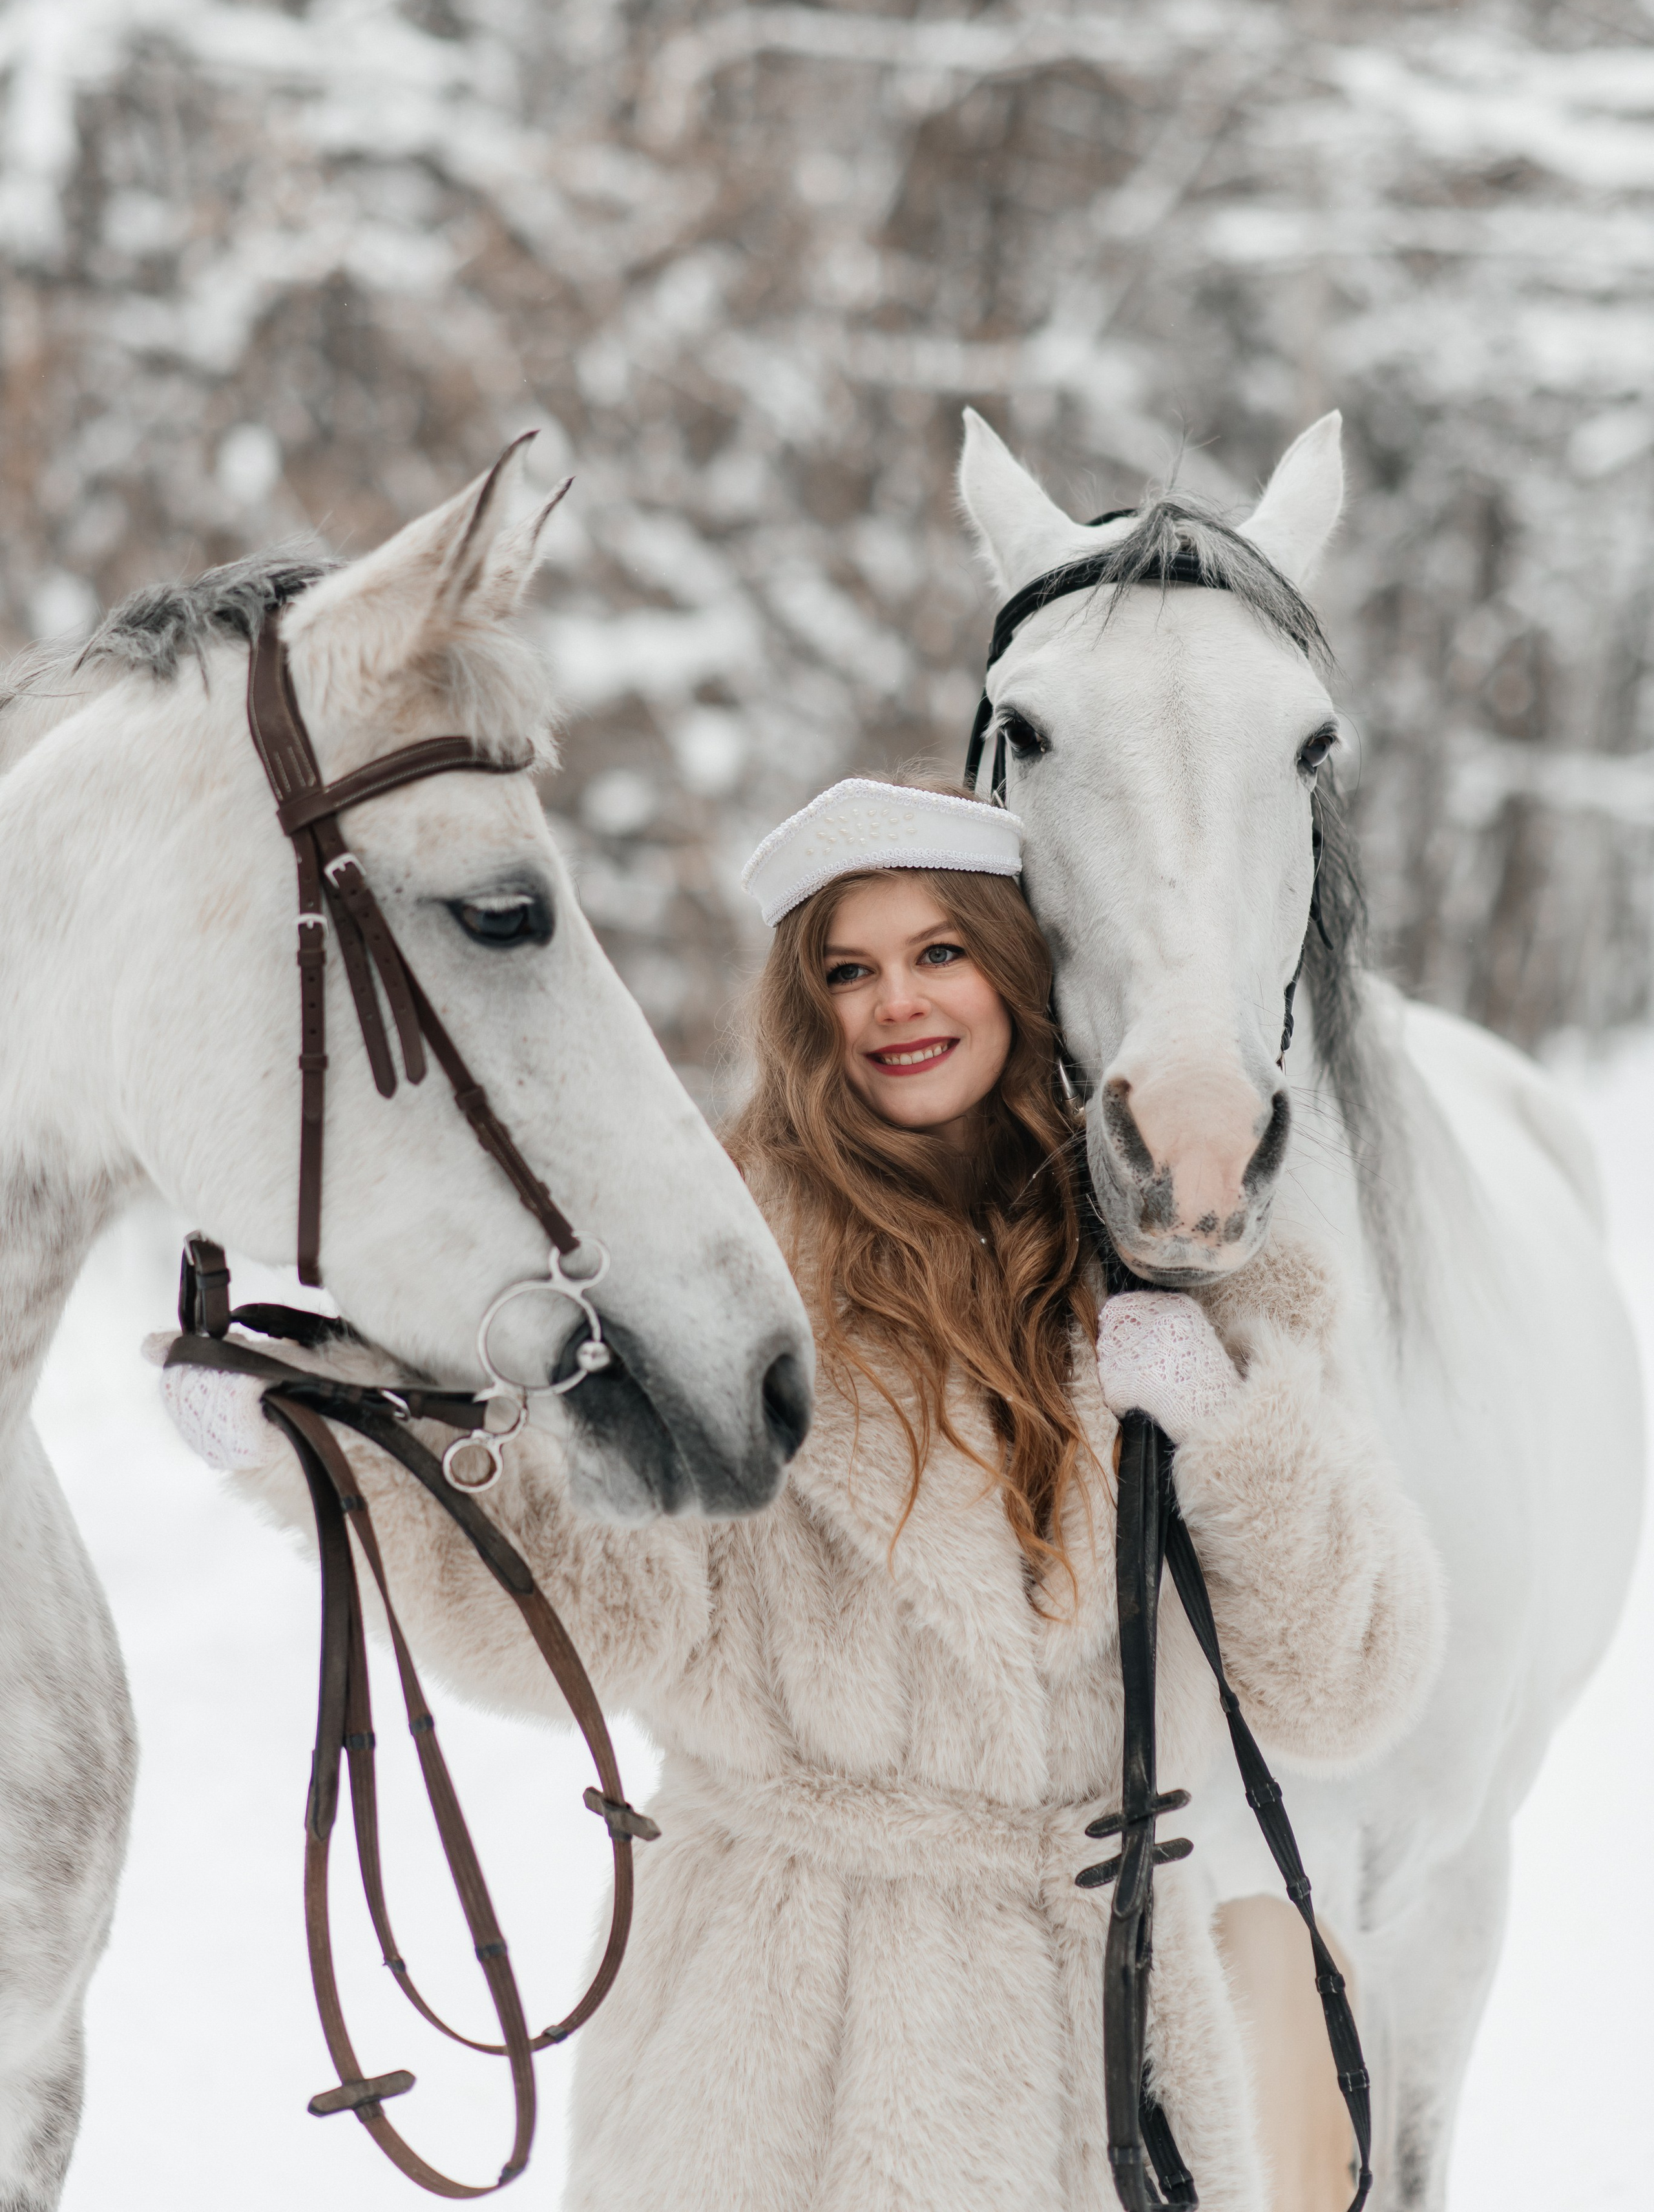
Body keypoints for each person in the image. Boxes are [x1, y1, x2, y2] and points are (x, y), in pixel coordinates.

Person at [155, 778, 1445, 2212]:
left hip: (1099, 2038)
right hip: (770, 2044)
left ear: (1018, 973)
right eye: (850, 969)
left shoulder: (1183, 1271)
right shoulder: (710, 1274)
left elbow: (1347, 1685)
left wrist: (1224, 1425)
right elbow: (600, 1628)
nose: (897, 1001)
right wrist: (330, 1457)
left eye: (938, 952)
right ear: (806, 1006)